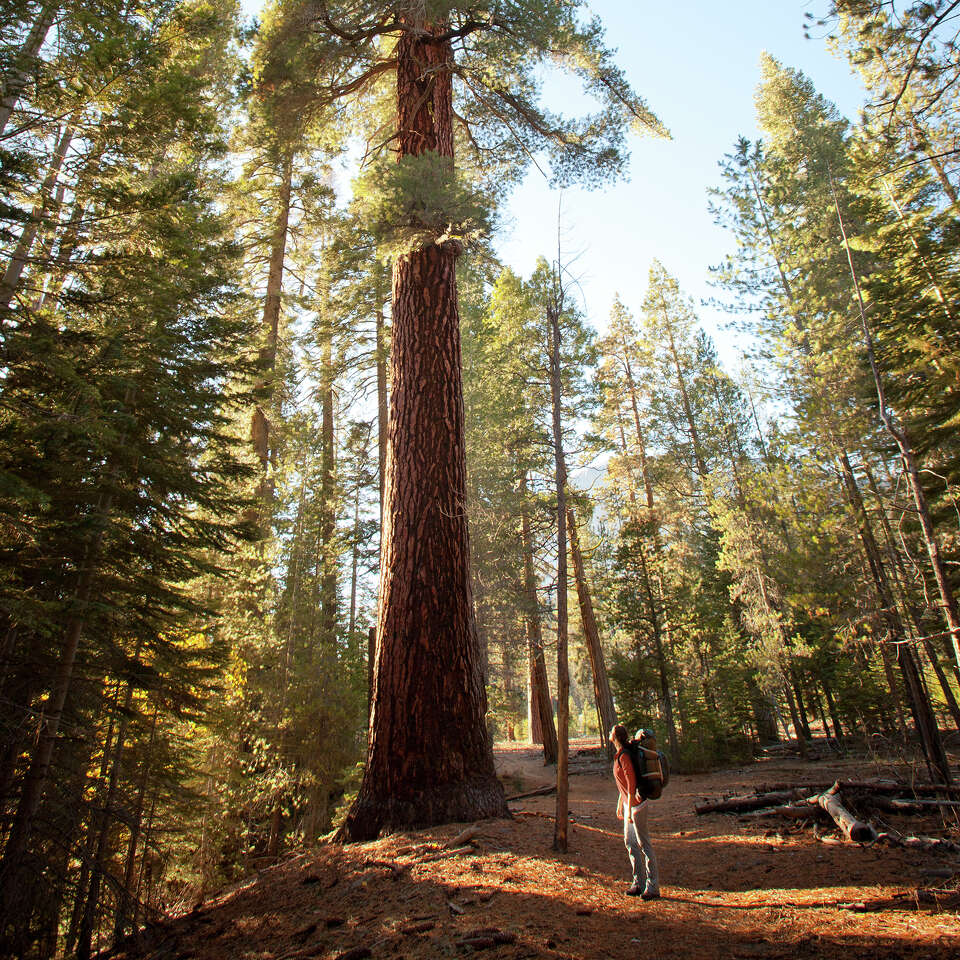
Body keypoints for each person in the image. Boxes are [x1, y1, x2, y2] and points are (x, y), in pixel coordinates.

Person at [609, 723, 660, 900]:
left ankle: (653, 886)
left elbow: (631, 784)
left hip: (637, 805)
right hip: (628, 804)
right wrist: (620, 804)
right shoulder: (620, 754)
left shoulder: (624, 756)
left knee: (644, 844)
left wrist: (629, 809)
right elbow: (622, 784)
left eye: (611, 732)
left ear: (615, 737)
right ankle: (638, 882)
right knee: (630, 842)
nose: (609, 734)